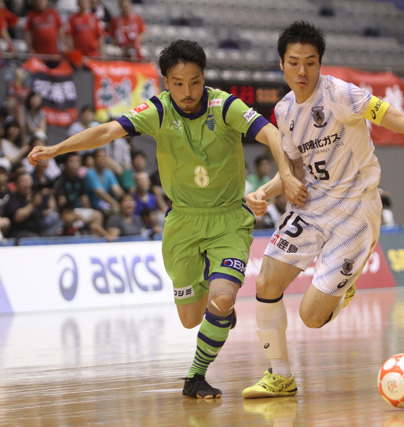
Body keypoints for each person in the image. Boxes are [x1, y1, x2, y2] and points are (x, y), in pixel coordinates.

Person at [28, 39, 306, 399]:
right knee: (191, 319)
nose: (187, 92)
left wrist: (286, 174)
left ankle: (196, 375)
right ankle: (217, 306)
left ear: (204, 77)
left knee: (222, 300)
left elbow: (270, 133)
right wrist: (57, 148)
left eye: (194, 82)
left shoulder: (225, 106)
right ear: (165, 82)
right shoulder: (157, 111)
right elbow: (107, 131)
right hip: (182, 223)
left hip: (228, 220)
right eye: (178, 84)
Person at [241, 21, 404, 399]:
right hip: (311, 207)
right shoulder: (284, 110)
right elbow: (295, 170)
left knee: (311, 318)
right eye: (294, 62)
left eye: (310, 62)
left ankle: (344, 287)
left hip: (355, 211)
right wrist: (266, 189)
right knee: (265, 283)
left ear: (320, 63)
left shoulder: (342, 95)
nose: (302, 71)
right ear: (281, 64)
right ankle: (280, 376)